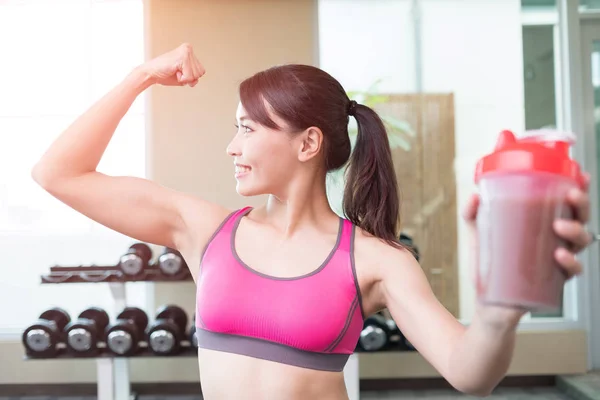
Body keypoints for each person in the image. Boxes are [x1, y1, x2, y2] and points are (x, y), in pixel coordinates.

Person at [31, 43, 593, 399]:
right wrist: (141, 76)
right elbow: (59, 174)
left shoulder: (375, 259)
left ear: (308, 143)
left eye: (249, 129)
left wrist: (498, 313)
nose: (231, 146)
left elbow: (471, 375)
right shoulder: (205, 230)